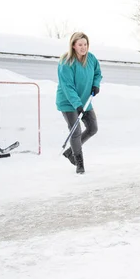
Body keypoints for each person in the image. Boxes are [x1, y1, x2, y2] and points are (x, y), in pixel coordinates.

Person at [56, 32, 102, 174]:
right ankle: (79, 162)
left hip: (84, 100)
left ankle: (71, 151)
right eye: (80, 44)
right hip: (69, 102)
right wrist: (77, 104)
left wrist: (96, 84)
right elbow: (67, 86)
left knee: (93, 128)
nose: (83, 47)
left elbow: (97, 73)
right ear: (73, 45)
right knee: (75, 131)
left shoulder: (91, 59)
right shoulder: (66, 62)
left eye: (85, 44)